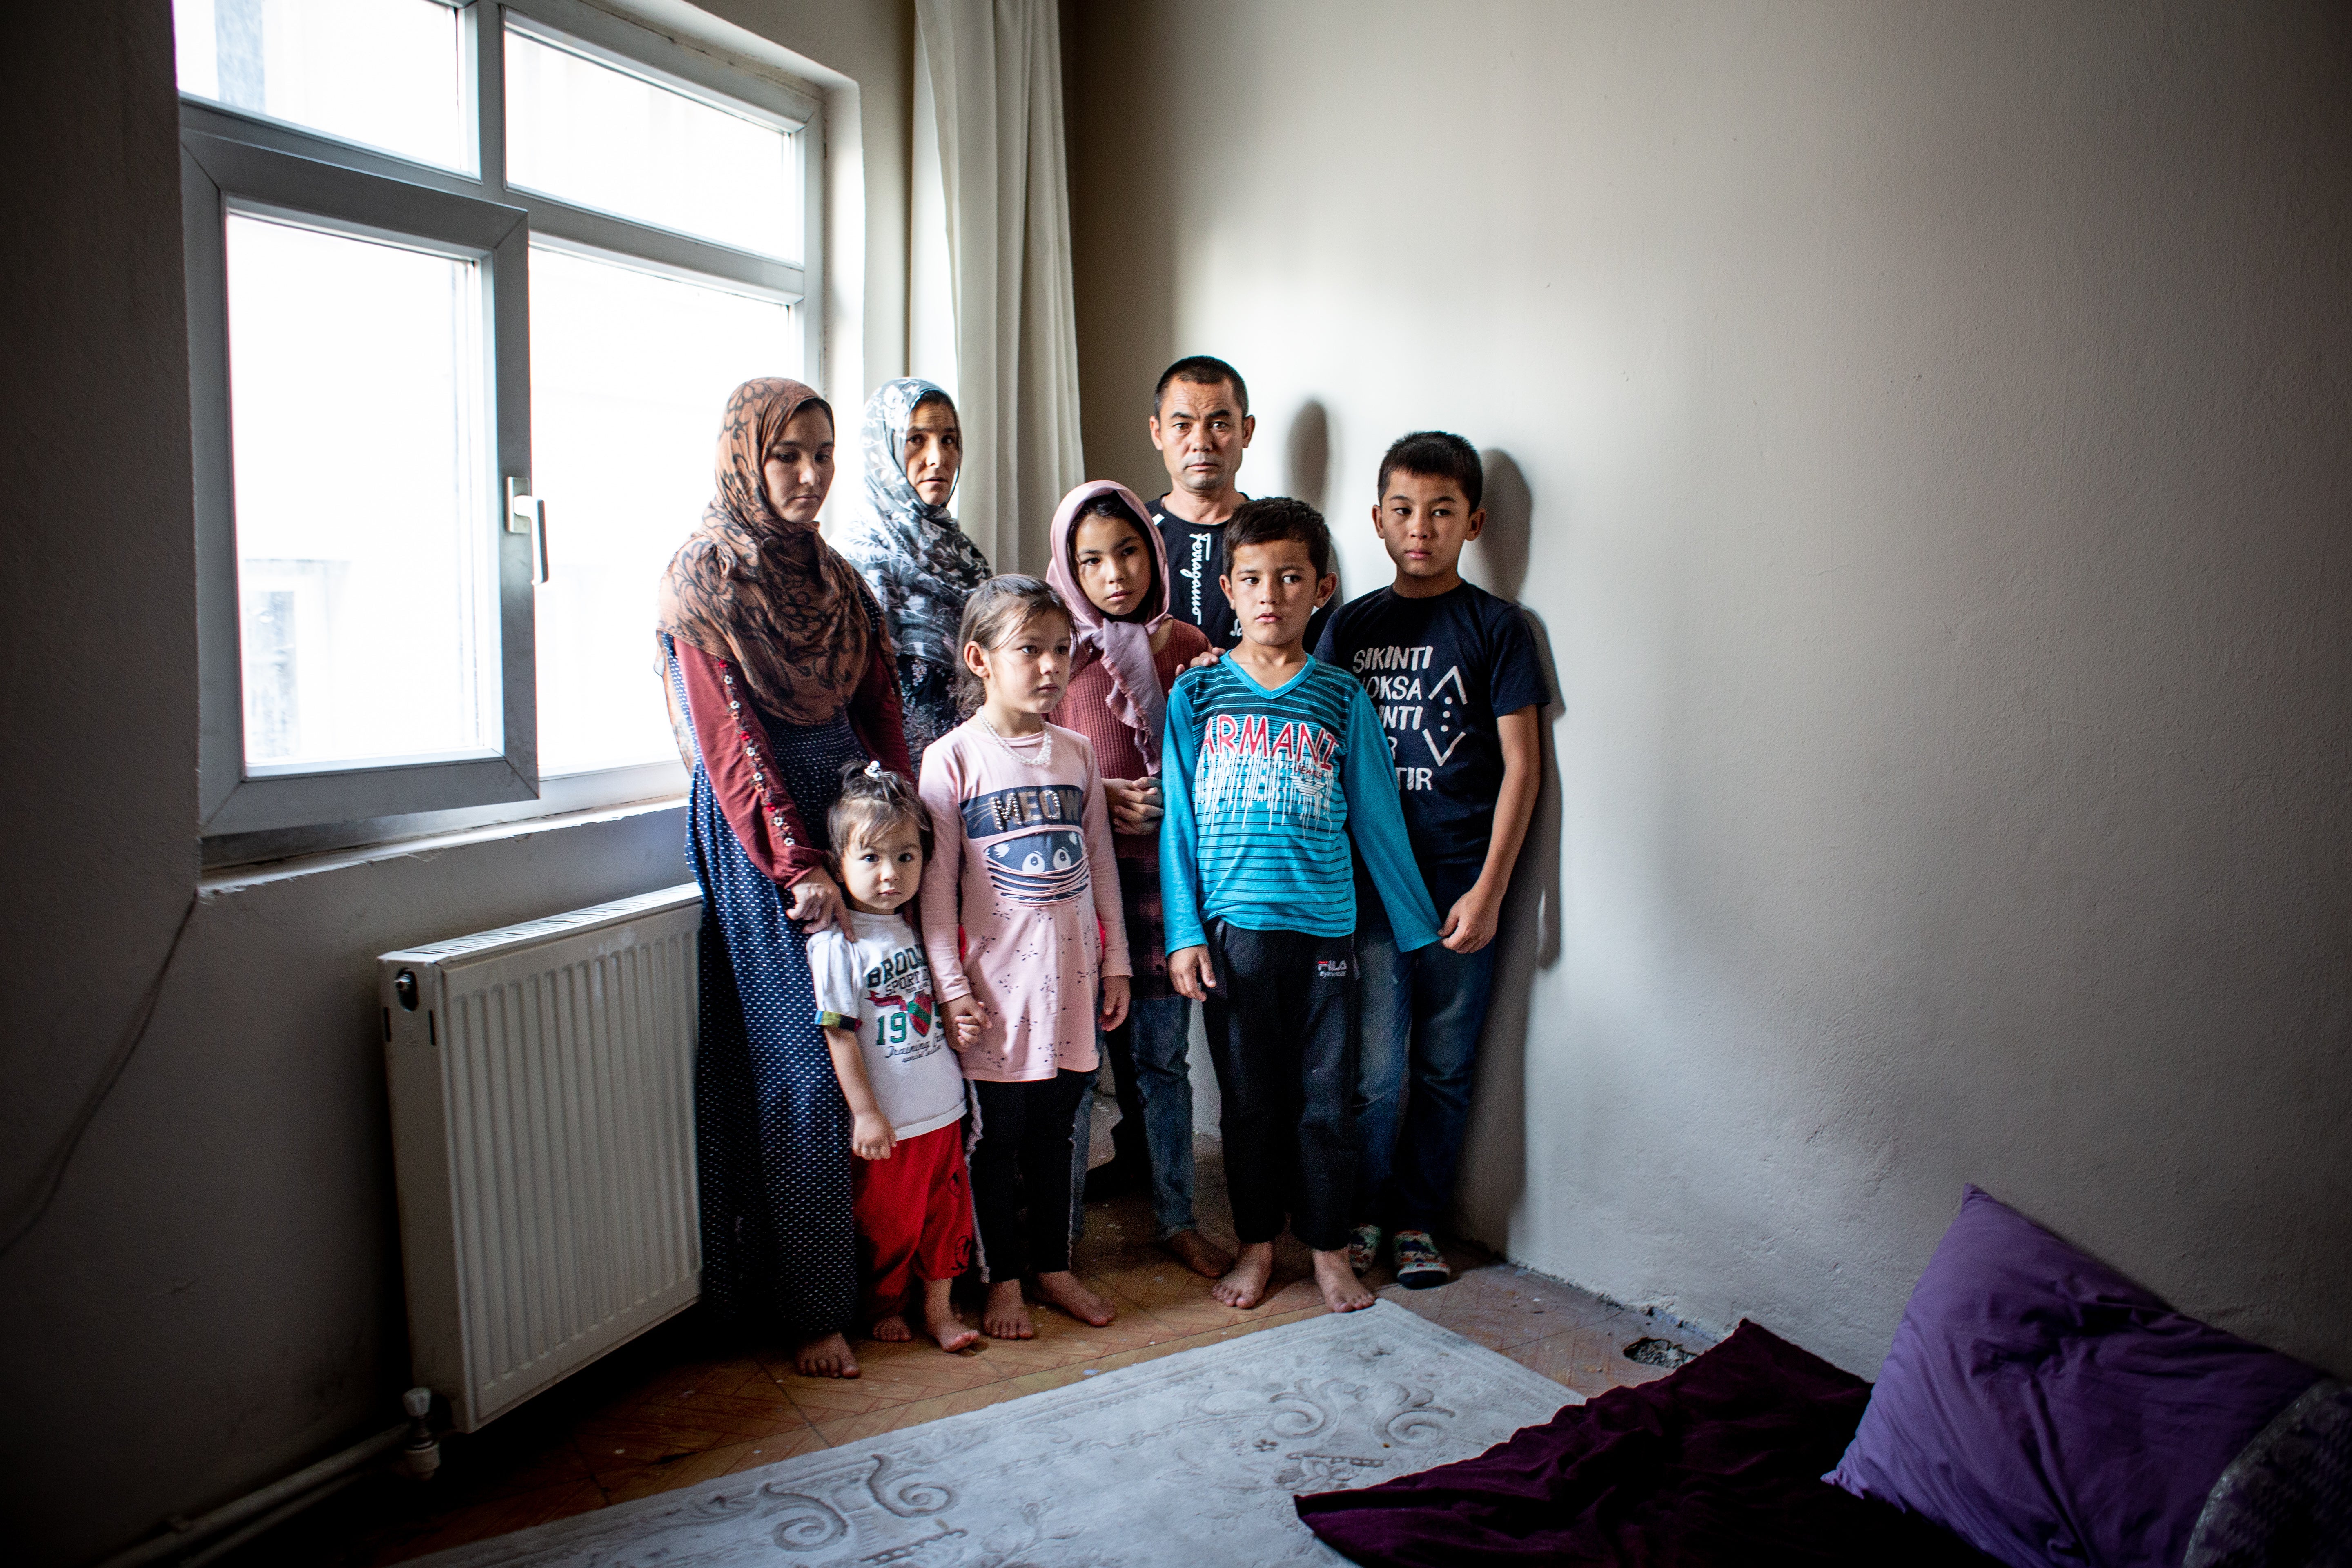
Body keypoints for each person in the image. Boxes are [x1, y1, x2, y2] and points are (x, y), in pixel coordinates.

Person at [657, 377, 911, 1380]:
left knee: (885, 1048)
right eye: (784, 456)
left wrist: (907, 825)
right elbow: (729, 742)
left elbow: (880, 714)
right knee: (807, 1069)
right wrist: (793, 861)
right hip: (761, 828)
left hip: (854, 813)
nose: (807, 476)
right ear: (742, 458)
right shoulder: (701, 581)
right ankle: (810, 1304)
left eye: (821, 453)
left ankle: (887, 1278)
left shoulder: (840, 584)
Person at [1159, 499, 1439, 1315]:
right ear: (1228, 588)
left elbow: (1378, 818)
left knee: (1324, 1103)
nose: (1270, 594)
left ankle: (1323, 1249)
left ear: (1323, 588)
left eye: (1289, 577)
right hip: (1232, 933)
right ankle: (1256, 1247)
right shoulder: (1198, 695)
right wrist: (1184, 934)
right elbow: (1179, 819)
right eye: (1252, 579)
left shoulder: (1342, 697)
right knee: (1250, 1103)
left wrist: (1420, 929)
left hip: (1326, 932)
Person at [1316, 432, 1548, 1290]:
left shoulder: (1498, 629)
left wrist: (1492, 892)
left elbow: (1523, 766)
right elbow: (1315, 739)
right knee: (1376, 1076)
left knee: (1446, 1069)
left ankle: (1419, 1221)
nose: (1422, 528)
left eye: (1443, 512)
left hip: (1460, 888)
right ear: (1377, 521)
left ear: (1474, 523)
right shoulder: (1351, 627)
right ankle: (1367, 1213)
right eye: (1405, 511)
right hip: (1372, 893)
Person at [918, 575, 1131, 1339]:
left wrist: (1116, 965)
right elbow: (935, 894)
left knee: (1057, 1138)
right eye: (1029, 650)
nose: (1050, 666)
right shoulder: (950, 762)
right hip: (992, 1003)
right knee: (996, 1146)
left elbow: (1100, 864)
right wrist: (950, 990)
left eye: (1060, 650)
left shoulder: (1076, 754)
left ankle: (1054, 1266)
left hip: (1072, 990)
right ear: (980, 658)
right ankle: (1001, 1280)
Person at [1043, 480, 1230, 1280]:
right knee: (1079, 1067)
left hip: (1164, 885)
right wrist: (1099, 797)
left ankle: (1178, 1219)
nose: (1114, 573)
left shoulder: (1184, 647)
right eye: (1090, 560)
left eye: (1127, 552)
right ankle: (1060, 1242)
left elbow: (1220, 756)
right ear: (1067, 567)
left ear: (1153, 554)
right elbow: (1023, 756)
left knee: (1163, 1062)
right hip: (1082, 891)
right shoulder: (1053, 653)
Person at [807, 761, 982, 1354]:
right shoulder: (836, 945)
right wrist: (866, 1113)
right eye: (872, 859)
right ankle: (886, 1303)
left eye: (906, 857)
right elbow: (840, 1035)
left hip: (943, 1109)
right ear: (838, 866)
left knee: (946, 1219)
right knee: (889, 1225)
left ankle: (938, 1308)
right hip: (894, 1123)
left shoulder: (915, 927)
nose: (891, 875)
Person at [840, 378, 991, 763]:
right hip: (890, 775)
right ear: (883, 449)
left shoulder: (968, 559)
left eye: (949, 440)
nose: (938, 458)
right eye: (916, 440)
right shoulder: (855, 562)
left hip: (975, 765)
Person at [1145, 356, 1333, 655]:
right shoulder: (1130, 536)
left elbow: (1321, 660)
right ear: (1158, 433)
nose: (1201, 442)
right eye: (1182, 425)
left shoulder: (1286, 538)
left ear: (1246, 431)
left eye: (1219, 424)